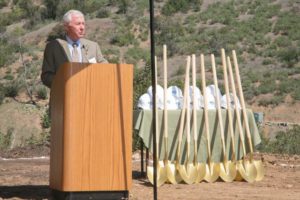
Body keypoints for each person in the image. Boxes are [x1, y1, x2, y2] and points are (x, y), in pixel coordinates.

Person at [41, 9, 108, 88]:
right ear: (66, 27)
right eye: (78, 24)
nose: (82, 27)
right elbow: (46, 76)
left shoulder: (93, 46)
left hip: (90, 95)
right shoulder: (54, 47)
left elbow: (106, 68)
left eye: (83, 24)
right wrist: (66, 83)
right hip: (64, 96)